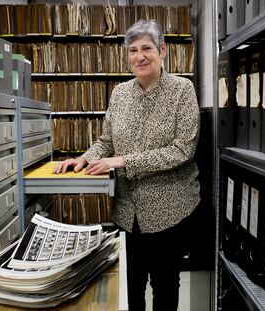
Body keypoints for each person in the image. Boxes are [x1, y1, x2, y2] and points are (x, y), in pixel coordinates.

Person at [53, 19, 200, 311]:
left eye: (147, 48)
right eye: (133, 50)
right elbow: (106, 142)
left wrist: (124, 160)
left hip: (169, 209)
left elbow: (182, 150)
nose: (140, 56)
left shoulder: (182, 90)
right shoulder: (120, 93)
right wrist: (85, 158)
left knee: (165, 287)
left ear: (163, 50)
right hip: (127, 209)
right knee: (132, 286)